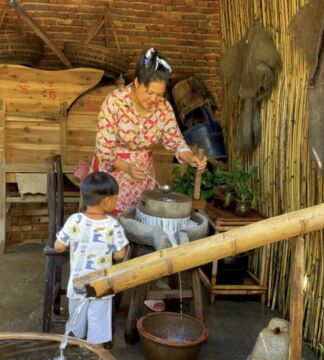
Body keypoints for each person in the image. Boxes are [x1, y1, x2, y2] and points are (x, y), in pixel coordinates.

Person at [83, 48, 208, 215]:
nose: (154, 99)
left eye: (160, 94)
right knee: (111, 225)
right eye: (149, 92)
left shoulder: (163, 108)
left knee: (139, 220)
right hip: (111, 175)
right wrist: (126, 167)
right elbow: (103, 148)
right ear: (137, 83)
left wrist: (190, 157)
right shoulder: (115, 102)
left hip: (143, 176)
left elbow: (176, 141)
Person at [54, 172, 129, 348]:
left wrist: (68, 244)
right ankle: (97, 347)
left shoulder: (75, 220)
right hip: (101, 285)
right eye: (116, 199)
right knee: (99, 316)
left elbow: (58, 246)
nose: (116, 202)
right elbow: (119, 255)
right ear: (107, 200)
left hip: (78, 282)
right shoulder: (113, 224)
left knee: (77, 315)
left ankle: (77, 340)